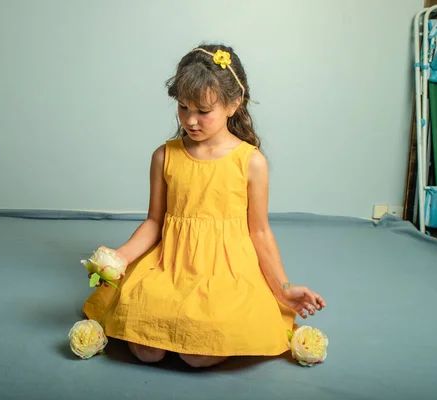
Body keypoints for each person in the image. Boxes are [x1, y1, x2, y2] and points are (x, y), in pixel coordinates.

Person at [82, 43, 326, 368]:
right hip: (171, 264)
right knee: (147, 350)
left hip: (225, 271)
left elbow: (260, 232)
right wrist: (121, 256)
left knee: (197, 354)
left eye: (203, 111)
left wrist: (283, 287)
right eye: (183, 108)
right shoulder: (164, 156)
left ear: (233, 104)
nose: (191, 120)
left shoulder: (251, 162)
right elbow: (155, 221)